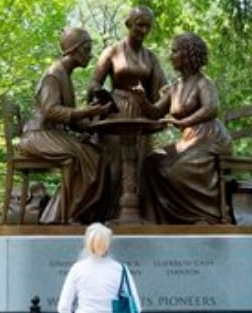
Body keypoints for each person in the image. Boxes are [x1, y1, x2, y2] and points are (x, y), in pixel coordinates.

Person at [134, 32, 233, 224]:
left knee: (176, 169)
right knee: (151, 161)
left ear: (188, 55)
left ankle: (207, 215)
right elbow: (156, 111)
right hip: (188, 139)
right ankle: (160, 218)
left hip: (209, 137)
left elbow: (211, 108)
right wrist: (142, 99)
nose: (171, 56)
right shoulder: (176, 86)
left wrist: (184, 122)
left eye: (175, 51)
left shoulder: (204, 83)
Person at [19, 28, 113, 224]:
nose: (89, 54)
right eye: (87, 49)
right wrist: (88, 112)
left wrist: (96, 120)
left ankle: (66, 213)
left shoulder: (65, 75)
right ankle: (65, 216)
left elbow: (73, 120)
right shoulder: (54, 74)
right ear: (74, 49)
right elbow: (51, 110)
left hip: (52, 134)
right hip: (37, 135)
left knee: (97, 154)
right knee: (78, 157)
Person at [87, 5, 168, 221]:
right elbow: (94, 81)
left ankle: (136, 215)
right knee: (114, 164)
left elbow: (163, 89)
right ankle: (107, 214)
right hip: (116, 111)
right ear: (128, 24)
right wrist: (99, 93)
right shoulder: (113, 51)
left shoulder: (150, 57)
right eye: (139, 25)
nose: (143, 30)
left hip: (140, 114)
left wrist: (166, 102)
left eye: (147, 27)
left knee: (141, 164)